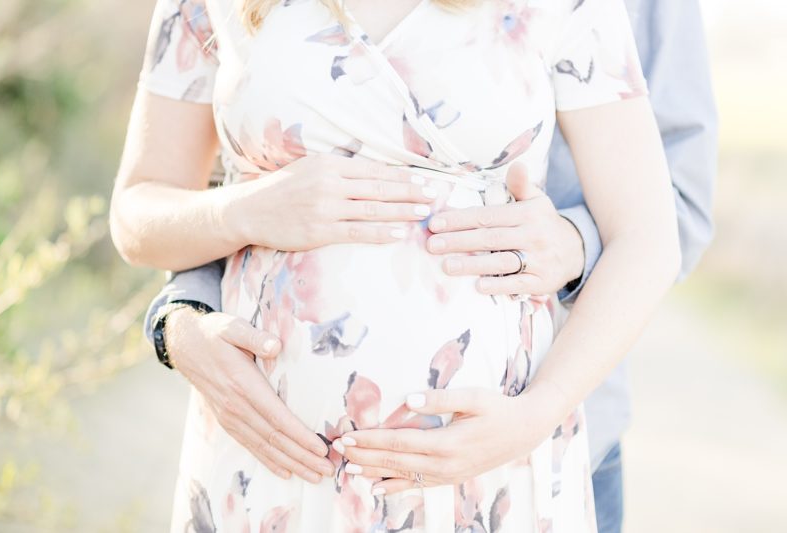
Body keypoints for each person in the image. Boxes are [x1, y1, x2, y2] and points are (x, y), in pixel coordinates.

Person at [140, 1, 716, 531]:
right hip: (273, 466)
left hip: (493, 464)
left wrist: (537, 412)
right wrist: (238, 218)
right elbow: (143, 204)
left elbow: (653, 231)